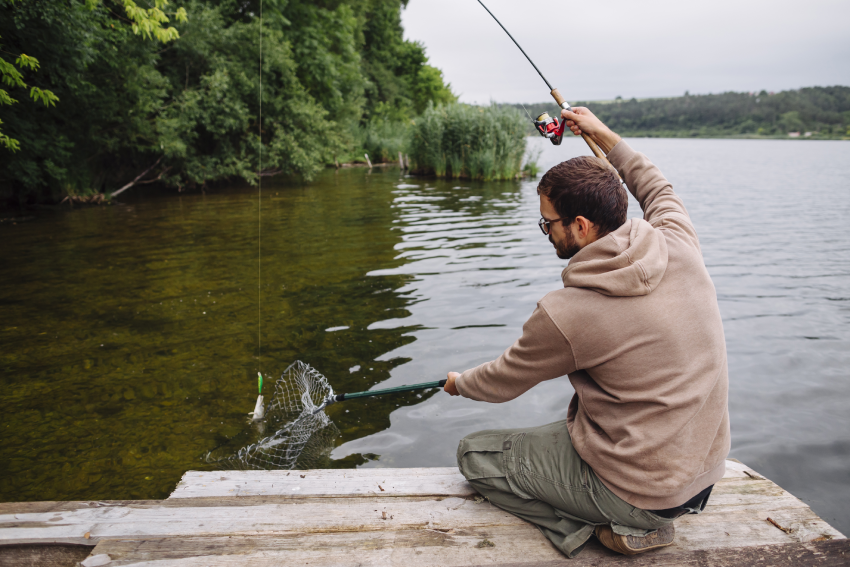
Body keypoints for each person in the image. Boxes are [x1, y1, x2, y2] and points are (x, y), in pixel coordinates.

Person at [443, 107, 730, 557]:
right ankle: (637, 510)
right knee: (568, 424)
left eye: (548, 222)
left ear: (580, 225)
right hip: (704, 475)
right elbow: (654, 185)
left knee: (476, 456)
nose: (544, 231)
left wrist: (459, 384)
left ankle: (597, 530)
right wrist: (602, 133)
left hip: (642, 491)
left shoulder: (568, 313)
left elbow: (501, 381)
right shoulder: (678, 240)